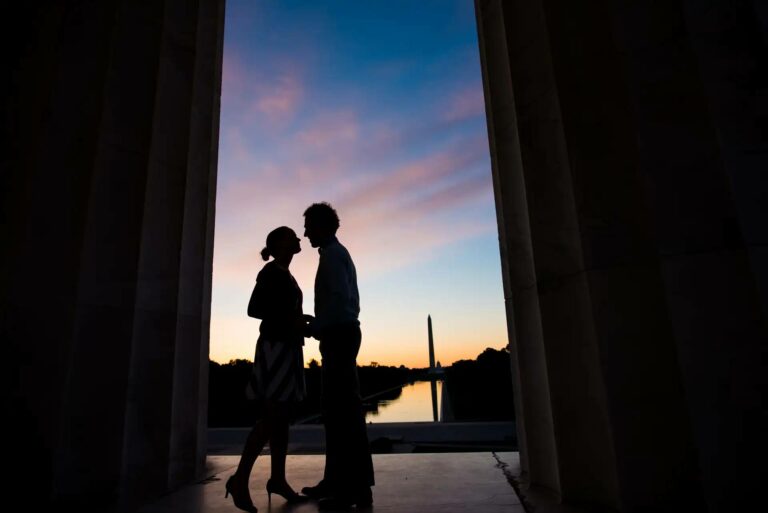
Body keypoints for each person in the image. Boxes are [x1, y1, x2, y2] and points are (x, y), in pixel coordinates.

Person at [224, 226, 309, 513]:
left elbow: (280, 311)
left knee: (281, 419)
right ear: (279, 245)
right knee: (272, 417)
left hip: (286, 348)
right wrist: (292, 320)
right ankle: (240, 480)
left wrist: (299, 320)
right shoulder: (272, 272)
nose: (299, 239)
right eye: (292, 236)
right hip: (276, 349)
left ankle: (277, 479)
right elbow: (255, 308)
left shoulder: (284, 274)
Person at [300, 202, 375, 509]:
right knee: (337, 411)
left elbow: (339, 301)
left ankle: (352, 489)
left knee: (343, 412)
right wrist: (318, 324)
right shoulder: (335, 254)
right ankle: (338, 482)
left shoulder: (332, 256)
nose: (305, 234)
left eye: (308, 227)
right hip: (340, 333)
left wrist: (317, 326)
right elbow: (340, 302)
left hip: (339, 335)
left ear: (321, 226)